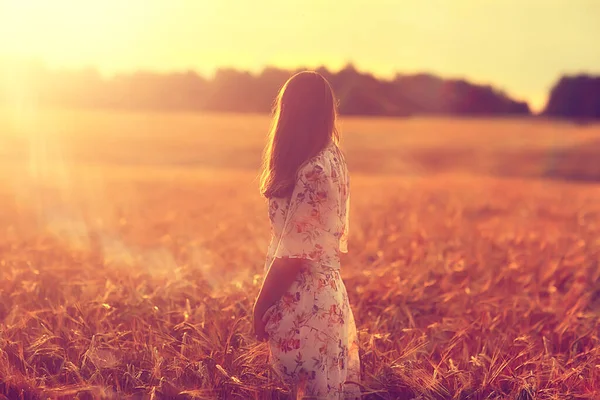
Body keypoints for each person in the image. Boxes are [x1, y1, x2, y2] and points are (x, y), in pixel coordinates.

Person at [253, 71, 361, 399]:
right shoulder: (333, 157)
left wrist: (260, 307)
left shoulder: (313, 170)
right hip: (326, 301)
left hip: (304, 308)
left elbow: (295, 257)